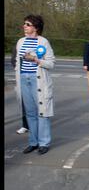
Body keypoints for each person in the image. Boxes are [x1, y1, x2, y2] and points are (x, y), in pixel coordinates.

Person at [14, 14, 55, 155]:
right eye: (24, 24)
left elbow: (51, 63)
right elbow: (17, 62)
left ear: (35, 27)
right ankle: (33, 142)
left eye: (27, 24)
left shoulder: (43, 42)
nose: (24, 26)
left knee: (42, 113)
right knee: (30, 113)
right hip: (24, 80)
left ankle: (44, 143)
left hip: (38, 80)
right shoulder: (20, 42)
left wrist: (36, 60)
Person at [11, 46, 29, 134]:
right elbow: (13, 60)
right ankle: (25, 125)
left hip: (34, 78)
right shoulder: (20, 45)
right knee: (23, 103)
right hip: (22, 78)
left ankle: (36, 125)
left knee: (35, 104)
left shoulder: (40, 44)